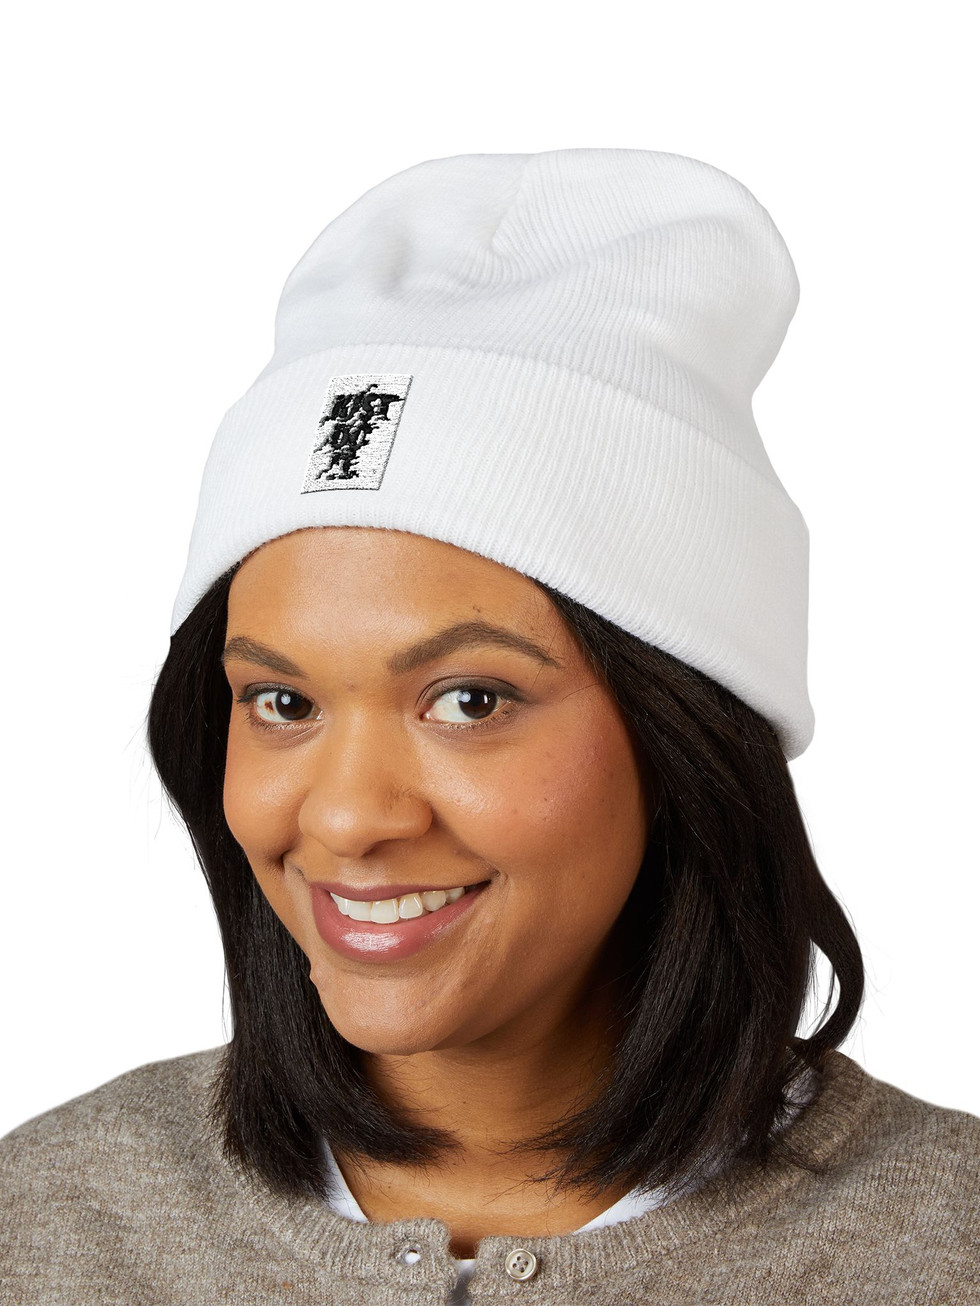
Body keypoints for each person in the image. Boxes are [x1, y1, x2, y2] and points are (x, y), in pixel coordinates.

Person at [2, 147, 977, 1306]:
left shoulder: (939, 1245)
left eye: (469, 700)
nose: (348, 816)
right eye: (282, 702)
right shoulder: (54, 1219)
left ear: (685, 741)